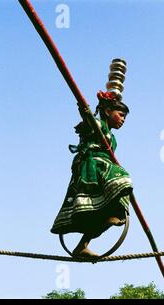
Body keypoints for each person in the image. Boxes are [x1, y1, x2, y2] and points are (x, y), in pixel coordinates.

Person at [51, 91, 133, 258]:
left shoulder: (112, 137)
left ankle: (82, 246)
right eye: (121, 115)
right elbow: (87, 117)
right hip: (92, 165)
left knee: (105, 217)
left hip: (102, 167)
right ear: (108, 111)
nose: (123, 120)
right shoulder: (97, 124)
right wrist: (85, 108)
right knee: (123, 179)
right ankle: (110, 211)